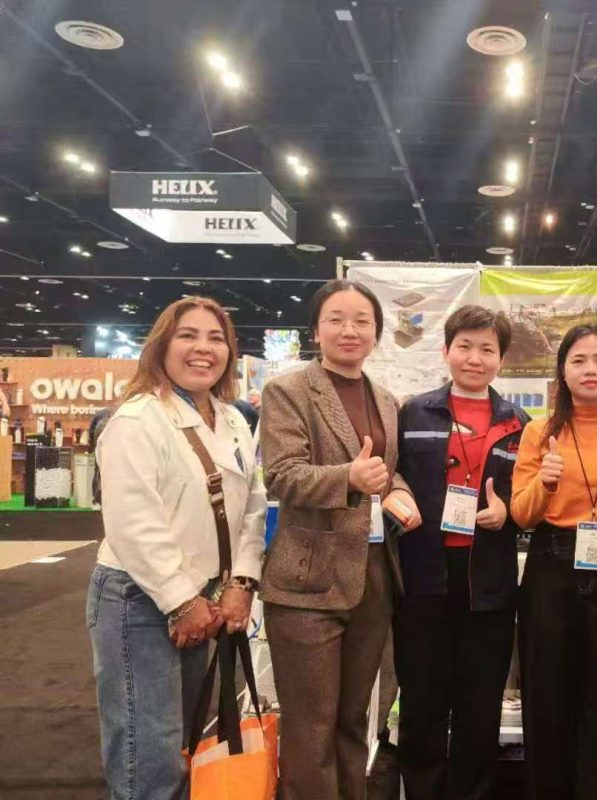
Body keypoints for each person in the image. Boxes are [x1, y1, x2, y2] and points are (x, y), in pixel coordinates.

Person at [87, 296, 266, 799]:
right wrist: (182, 600)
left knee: (184, 744)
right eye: (188, 335)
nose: (203, 348)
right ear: (161, 346)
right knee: (148, 756)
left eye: (216, 338)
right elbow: (133, 523)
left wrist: (242, 581)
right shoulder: (137, 420)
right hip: (138, 599)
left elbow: (252, 505)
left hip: (205, 596)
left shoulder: (233, 420)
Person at [259, 279, 418, 800]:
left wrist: (398, 490)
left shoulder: (386, 399)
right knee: (311, 729)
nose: (350, 330)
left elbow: (384, 471)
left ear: (376, 332)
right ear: (316, 329)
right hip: (308, 581)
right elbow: (282, 475)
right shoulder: (288, 391)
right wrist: (348, 477)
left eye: (362, 321)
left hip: (373, 576)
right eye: (336, 319)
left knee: (354, 721)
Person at [510, 324, 597, 800]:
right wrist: (546, 482)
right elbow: (522, 513)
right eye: (579, 360)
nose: (590, 369)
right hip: (551, 567)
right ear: (563, 371)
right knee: (548, 698)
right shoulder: (539, 432)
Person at [393, 305, 530, 800]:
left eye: (487, 349)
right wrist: (395, 491)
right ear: (446, 350)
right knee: (422, 702)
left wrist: (507, 509)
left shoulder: (520, 423)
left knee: (480, 707)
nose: (475, 358)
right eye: (465, 346)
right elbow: (391, 472)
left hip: (488, 581)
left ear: (501, 359)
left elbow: (529, 493)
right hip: (423, 577)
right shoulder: (413, 413)